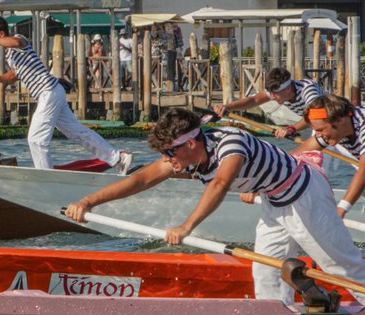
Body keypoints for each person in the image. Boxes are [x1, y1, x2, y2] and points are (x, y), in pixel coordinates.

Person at [65, 107, 365, 303]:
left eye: (170, 152)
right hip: (274, 200)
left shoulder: (230, 145)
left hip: (305, 195)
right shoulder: (183, 154)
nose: (167, 161)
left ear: (191, 144)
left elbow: (220, 185)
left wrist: (186, 226)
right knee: (265, 274)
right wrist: (88, 201)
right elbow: (141, 180)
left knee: (341, 266)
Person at [0, 15, 131, 174]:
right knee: (76, 132)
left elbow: (16, 42)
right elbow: (13, 76)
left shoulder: (18, 39)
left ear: (1, 35)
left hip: (49, 92)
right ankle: (118, 158)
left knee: (36, 139)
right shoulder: (10, 54)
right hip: (52, 93)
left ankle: (45, 176)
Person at [294, 94, 365, 217]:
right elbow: (296, 155)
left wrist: (342, 209)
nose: (319, 135)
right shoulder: (337, 130)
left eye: (321, 130)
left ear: (338, 119)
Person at [214, 67, 324, 138]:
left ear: (288, 89)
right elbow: (253, 100)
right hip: (318, 125)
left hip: (330, 123)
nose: (272, 97)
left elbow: (316, 115)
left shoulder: (307, 89)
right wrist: (227, 107)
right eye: (270, 93)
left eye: (275, 94)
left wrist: (291, 128)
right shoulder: (277, 92)